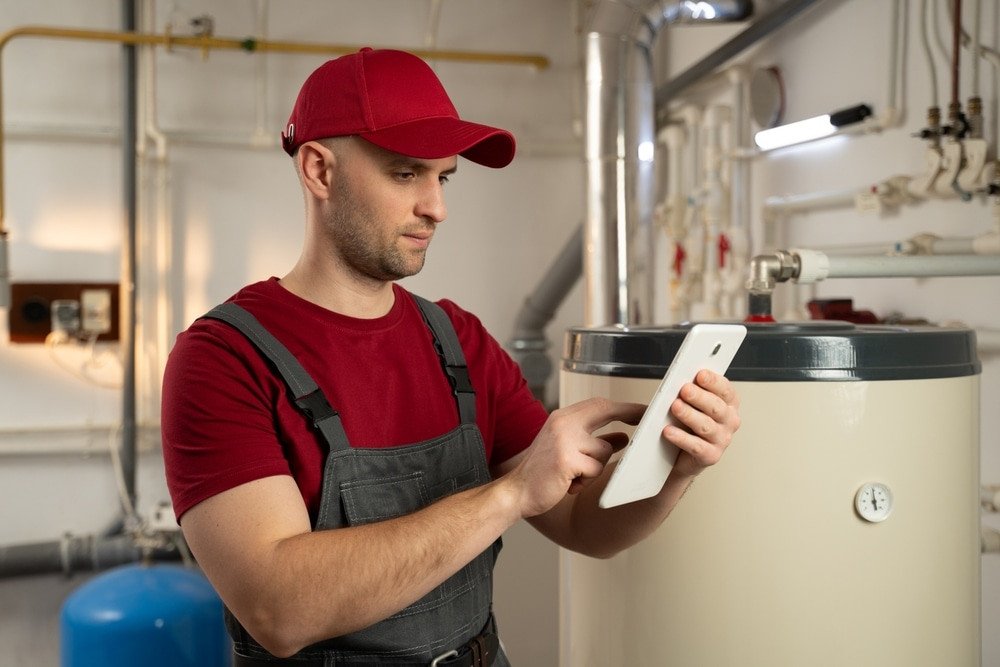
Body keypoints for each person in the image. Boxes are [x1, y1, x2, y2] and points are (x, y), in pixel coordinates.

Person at [161, 47, 741, 666]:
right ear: (319, 171)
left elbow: (583, 527)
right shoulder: (222, 359)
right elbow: (279, 609)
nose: (436, 207)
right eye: (405, 173)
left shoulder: (455, 339)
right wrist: (510, 493)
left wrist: (672, 465)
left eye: (443, 177)